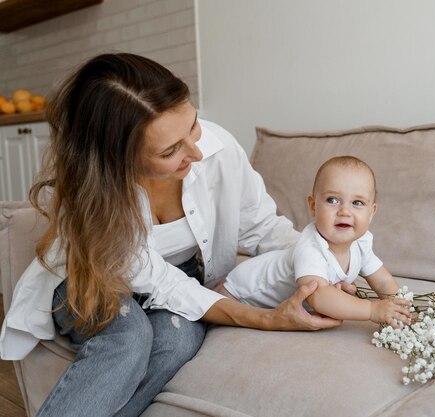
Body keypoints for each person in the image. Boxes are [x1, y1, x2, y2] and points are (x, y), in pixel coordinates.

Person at [0, 53, 356, 417]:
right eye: (170, 150)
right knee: (128, 339)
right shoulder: (98, 196)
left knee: (177, 340)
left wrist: (319, 269)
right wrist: (269, 318)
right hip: (89, 275)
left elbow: (264, 227)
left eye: (193, 125)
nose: (197, 152)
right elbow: (161, 284)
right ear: (118, 160)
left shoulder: (218, 150)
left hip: (180, 275)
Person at [218, 156, 412, 328]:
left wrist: (402, 311)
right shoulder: (311, 247)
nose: (345, 211)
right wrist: (372, 310)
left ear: (372, 212)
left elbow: (383, 281)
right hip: (238, 292)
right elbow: (319, 296)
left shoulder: (361, 243)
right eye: (332, 200)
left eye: (357, 203)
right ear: (313, 207)